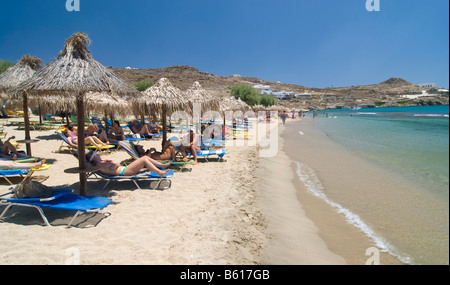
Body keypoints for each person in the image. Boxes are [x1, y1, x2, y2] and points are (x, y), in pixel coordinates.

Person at [86, 151, 170, 178]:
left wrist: (112, 163)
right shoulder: (98, 165)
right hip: (125, 172)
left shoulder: (102, 162)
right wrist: (111, 162)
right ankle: (160, 172)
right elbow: (114, 165)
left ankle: (161, 165)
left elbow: (116, 164)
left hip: (124, 169)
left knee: (145, 157)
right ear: (94, 158)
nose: (99, 155)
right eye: (97, 155)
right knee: (144, 159)